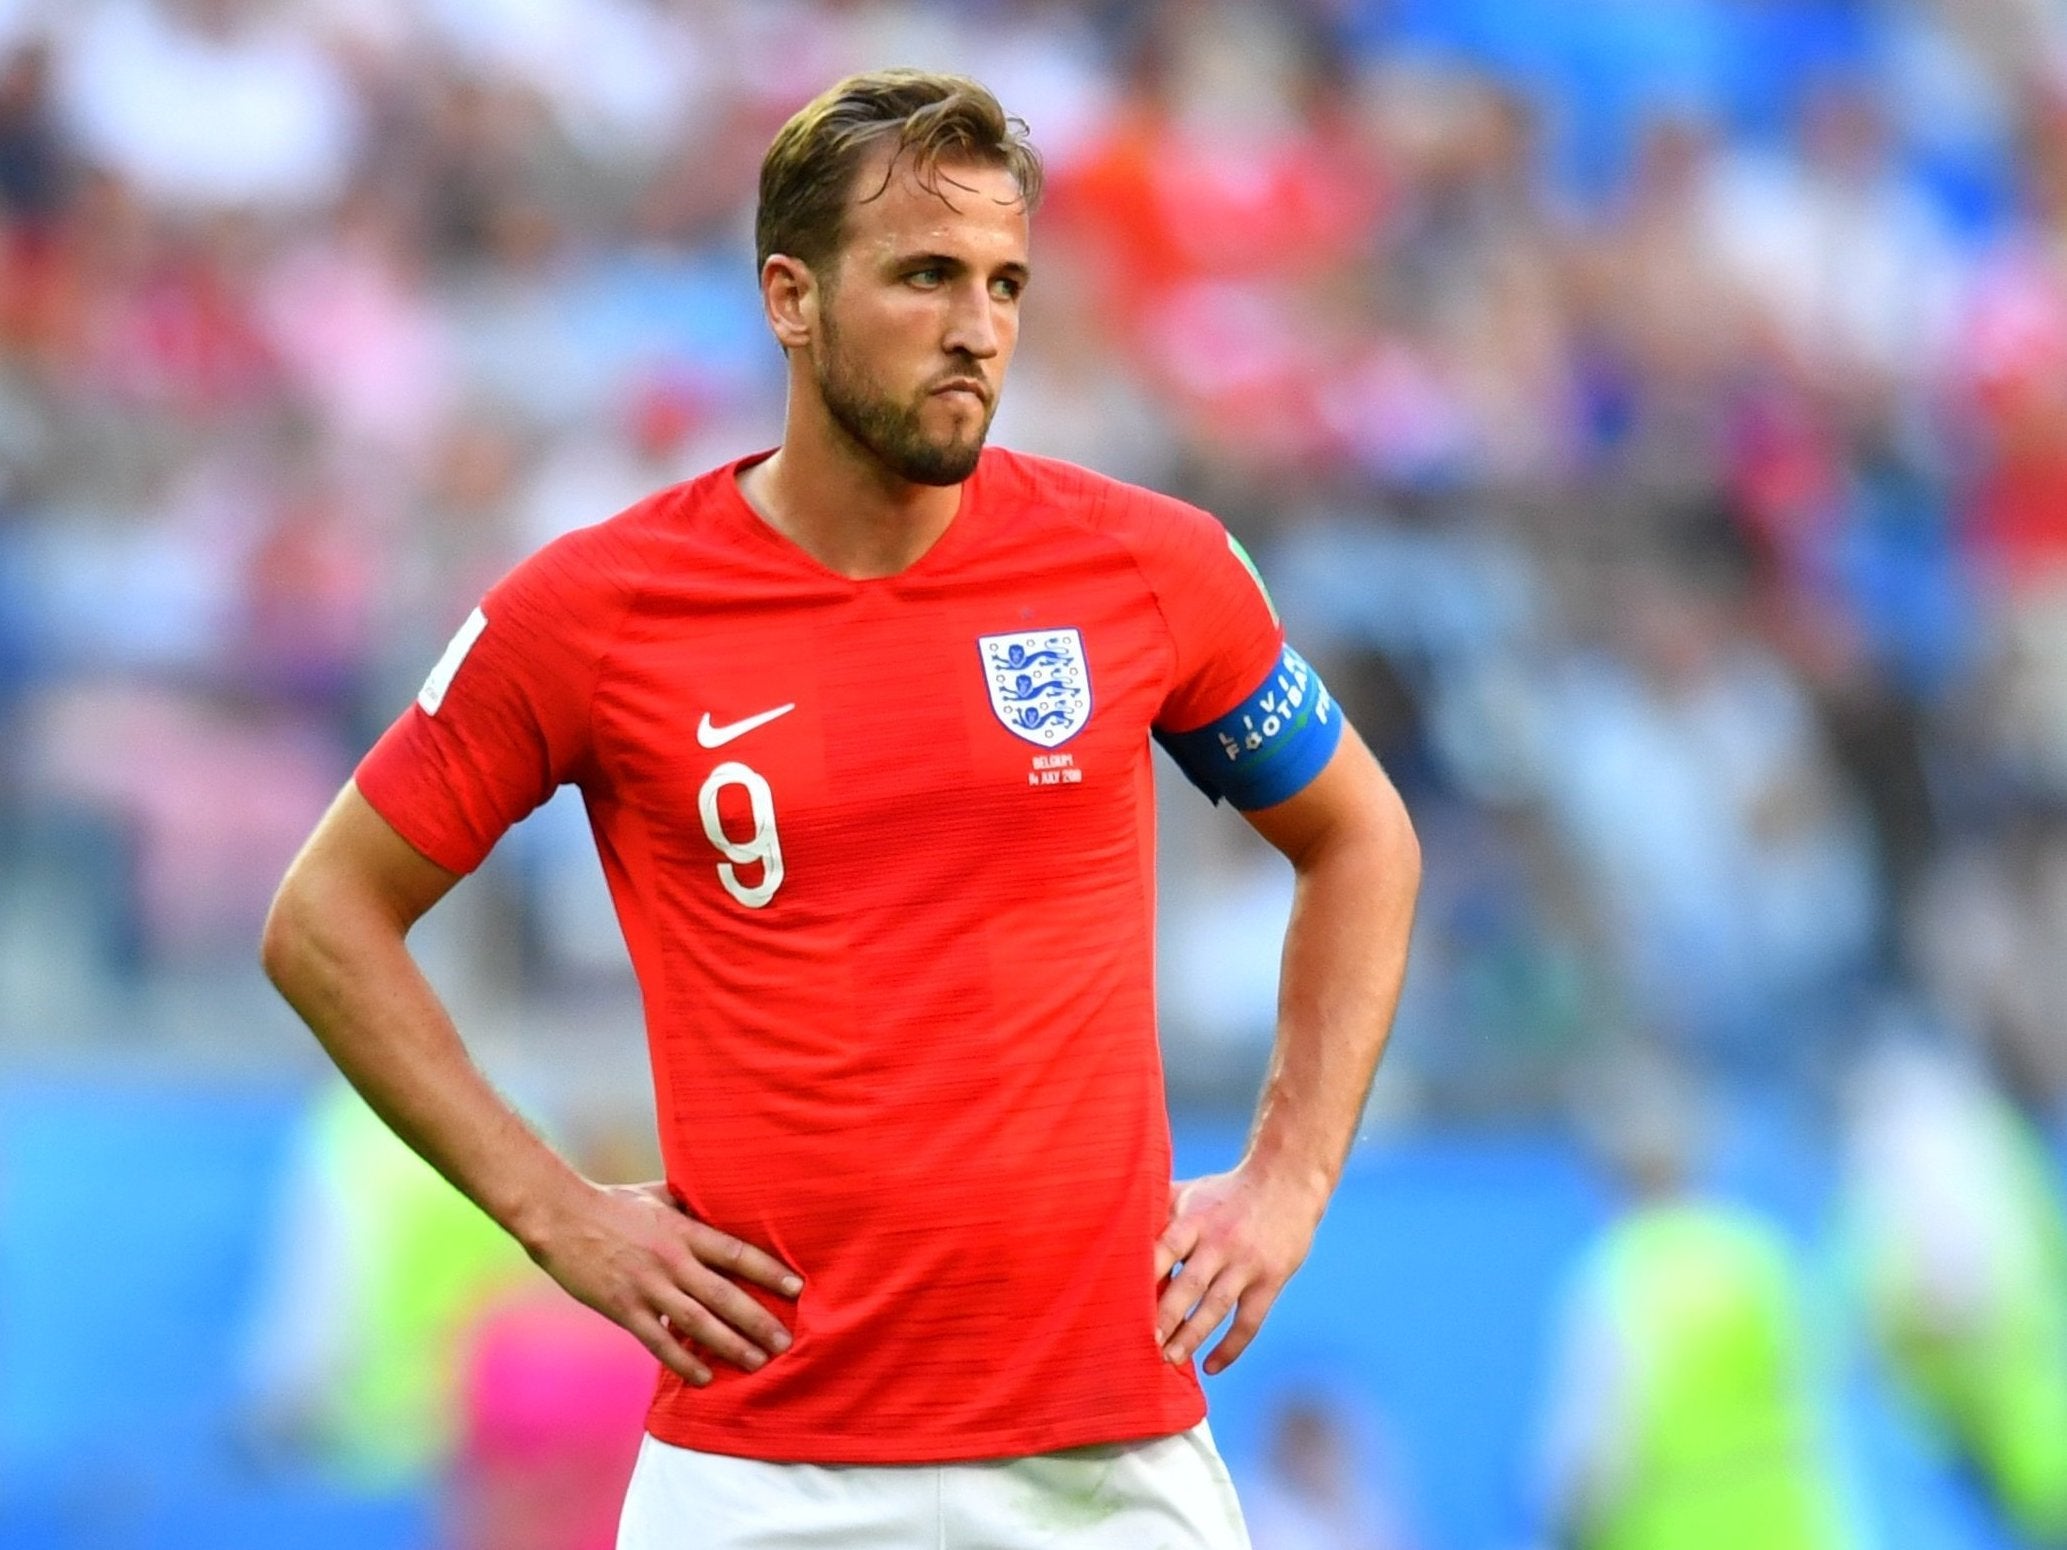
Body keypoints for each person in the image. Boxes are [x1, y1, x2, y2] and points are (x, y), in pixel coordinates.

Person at [260, 68, 1420, 1550]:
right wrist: (555, 1211)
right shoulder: (599, 612)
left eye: (1005, 282)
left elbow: (1360, 834)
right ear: (789, 299)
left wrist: (1287, 1179)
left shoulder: (1149, 567)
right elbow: (324, 917)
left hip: (1105, 1461)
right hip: (761, 1472)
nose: (976, 328)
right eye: (925, 275)